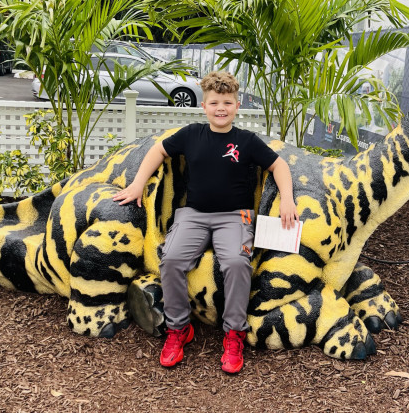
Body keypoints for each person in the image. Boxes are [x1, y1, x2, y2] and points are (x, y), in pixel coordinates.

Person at [113, 71, 298, 374]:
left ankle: (234, 333)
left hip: (235, 217)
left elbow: (279, 165)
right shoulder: (191, 134)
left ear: (237, 106)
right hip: (194, 215)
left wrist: (287, 199)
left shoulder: (247, 140)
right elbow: (158, 150)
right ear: (204, 106)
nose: (220, 108)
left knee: (236, 263)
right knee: (171, 259)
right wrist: (137, 184)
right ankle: (178, 329)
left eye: (227, 103)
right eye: (214, 103)